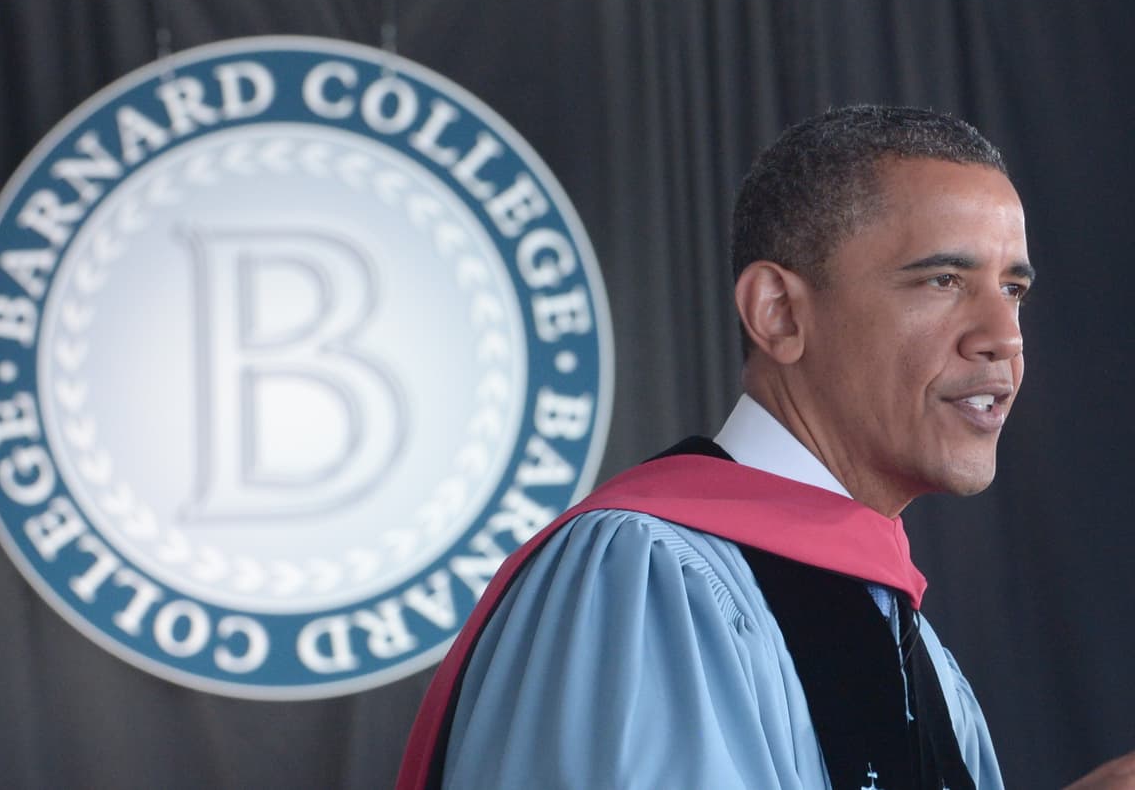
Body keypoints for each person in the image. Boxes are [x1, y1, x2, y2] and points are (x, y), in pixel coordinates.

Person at [396, 105, 1132, 789]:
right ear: (778, 313)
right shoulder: (650, 579)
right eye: (944, 279)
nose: (1004, 337)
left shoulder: (905, 637)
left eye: (1013, 290)